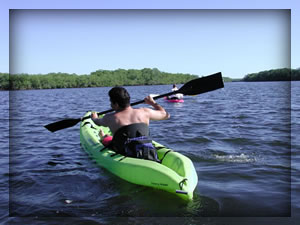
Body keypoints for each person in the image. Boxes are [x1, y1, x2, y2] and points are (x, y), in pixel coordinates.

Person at [91, 86, 170, 162]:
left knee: (107, 140)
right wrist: (152, 103)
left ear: (116, 104)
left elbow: (98, 122)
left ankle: (104, 136)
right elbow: (166, 115)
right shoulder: (145, 112)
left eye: (111, 102)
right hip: (146, 150)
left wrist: (94, 117)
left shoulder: (110, 117)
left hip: (123, 152)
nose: (110, 105)